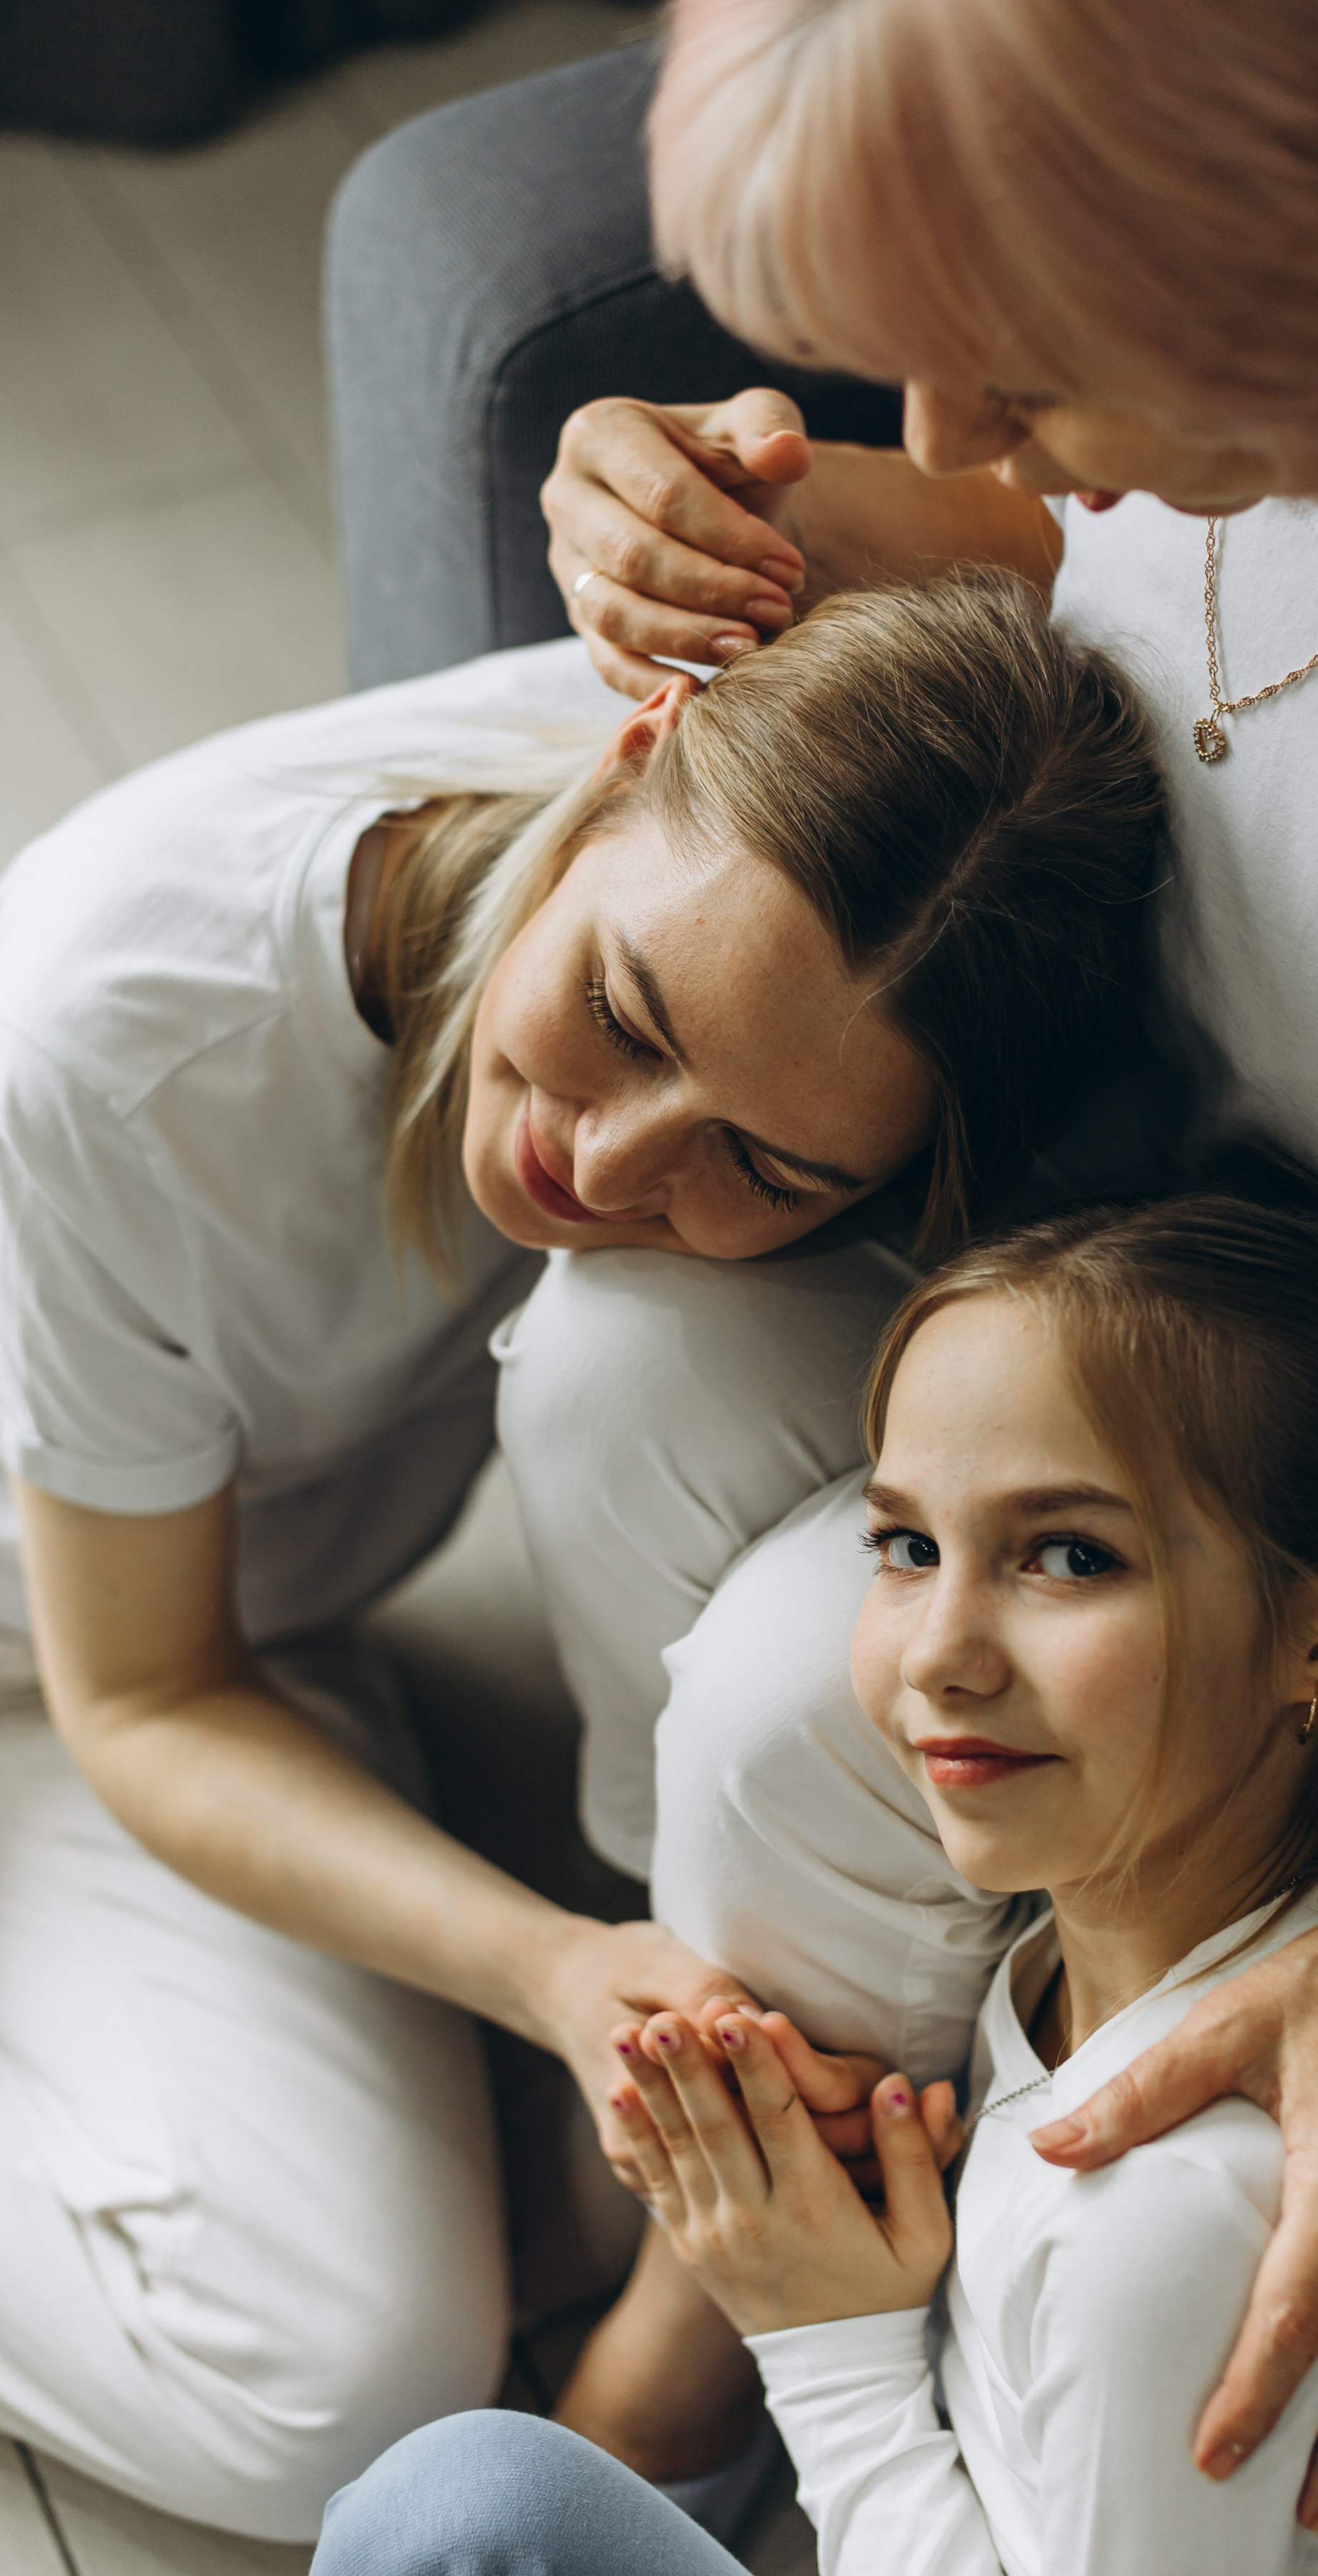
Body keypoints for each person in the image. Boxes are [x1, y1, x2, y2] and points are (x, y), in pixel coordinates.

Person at [472, 0, 1318, 2546]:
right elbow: (1114, 577)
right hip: (1166, 1256)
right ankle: (730, 2220)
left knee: (769, 1717)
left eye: (1028, 372)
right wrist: (726, 515)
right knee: (616, 1364)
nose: (947, 430)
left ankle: (800, 2339)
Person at [0, 572, 1179, 2540]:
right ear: (630, 756)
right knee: (328, 2391)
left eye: (769, 1167)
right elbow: (145, 1689)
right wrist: (548, 1968)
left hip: (256, 1621)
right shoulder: (116, 1043)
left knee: (655, 1343)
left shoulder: (862, 810)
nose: (609, 1166)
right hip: (96, 1667)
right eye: (625, 1019)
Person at [312, 1160, 1318, 2576]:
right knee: (473, 2506)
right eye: (907, 1544)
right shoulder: (1086, 1959)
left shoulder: (1175, 2225)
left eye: (1067, 1555)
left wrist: (830, 2346)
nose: (941, 1651)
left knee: (452, 2514)